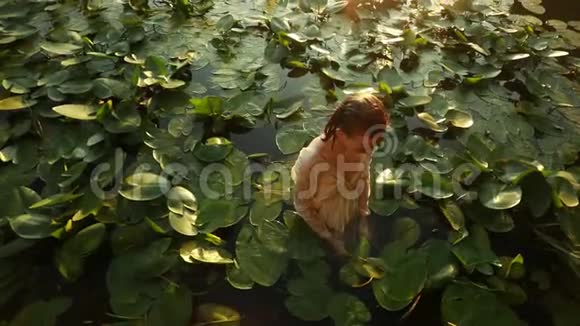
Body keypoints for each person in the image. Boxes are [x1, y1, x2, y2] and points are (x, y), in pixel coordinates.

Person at [291, 93, 389, 255]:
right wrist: (329, 239)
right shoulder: (312, 160)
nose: (370, 152)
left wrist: (364, 214)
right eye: (363, 149)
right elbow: (303, 206)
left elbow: (364, 178)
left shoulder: (366, 142)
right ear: (341, 135)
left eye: (376, 144)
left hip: (351, 201)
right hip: (325, 211)